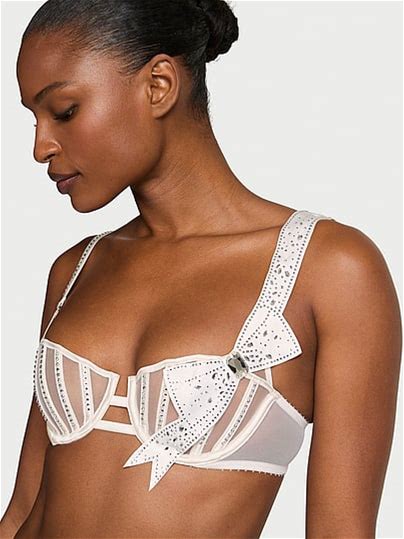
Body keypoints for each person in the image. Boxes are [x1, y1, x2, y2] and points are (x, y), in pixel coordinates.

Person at [1, 0, 402, 537]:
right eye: (34, 119)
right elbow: (23, 510)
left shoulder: (329, 269)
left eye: (64, 111)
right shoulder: (76, 269)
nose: (40, 146)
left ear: (159, 85)